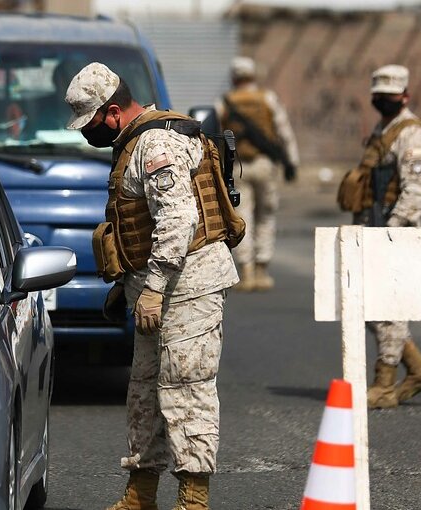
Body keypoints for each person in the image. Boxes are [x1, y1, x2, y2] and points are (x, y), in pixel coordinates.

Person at [66, 62, 240, 510]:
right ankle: (141, 494)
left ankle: (193, 499)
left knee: (187, 390)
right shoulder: (133, 142)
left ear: (111, 113)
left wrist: (156, 286)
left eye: (89, 125)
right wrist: (130, 284)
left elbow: (178, 220)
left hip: (188, 287)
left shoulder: (156, 143)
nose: (88, 135)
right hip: (155, 290)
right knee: (144, 392)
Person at [339, 64, 421, 409]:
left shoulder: (413, 134)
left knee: (388, 310)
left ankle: (384, 384)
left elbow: (414, 191)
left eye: (390, 95)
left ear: (406, 96)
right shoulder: (386, 130)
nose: (384, 100)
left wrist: (393, 232)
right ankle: (418, 370)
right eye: (379, 96)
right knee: (370, 308)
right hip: (373, 229)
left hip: (394, 233)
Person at [217, 56, 299, 292]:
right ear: (253, 75)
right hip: (265, 165)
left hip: (238, 166)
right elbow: (284, 131)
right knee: (266, 216)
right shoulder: (267, 99)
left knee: (242, 218)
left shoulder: (224, 102)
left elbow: (216, 134)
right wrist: (292, 162)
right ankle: (262, 269)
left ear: (234, 77)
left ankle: (247, 272)